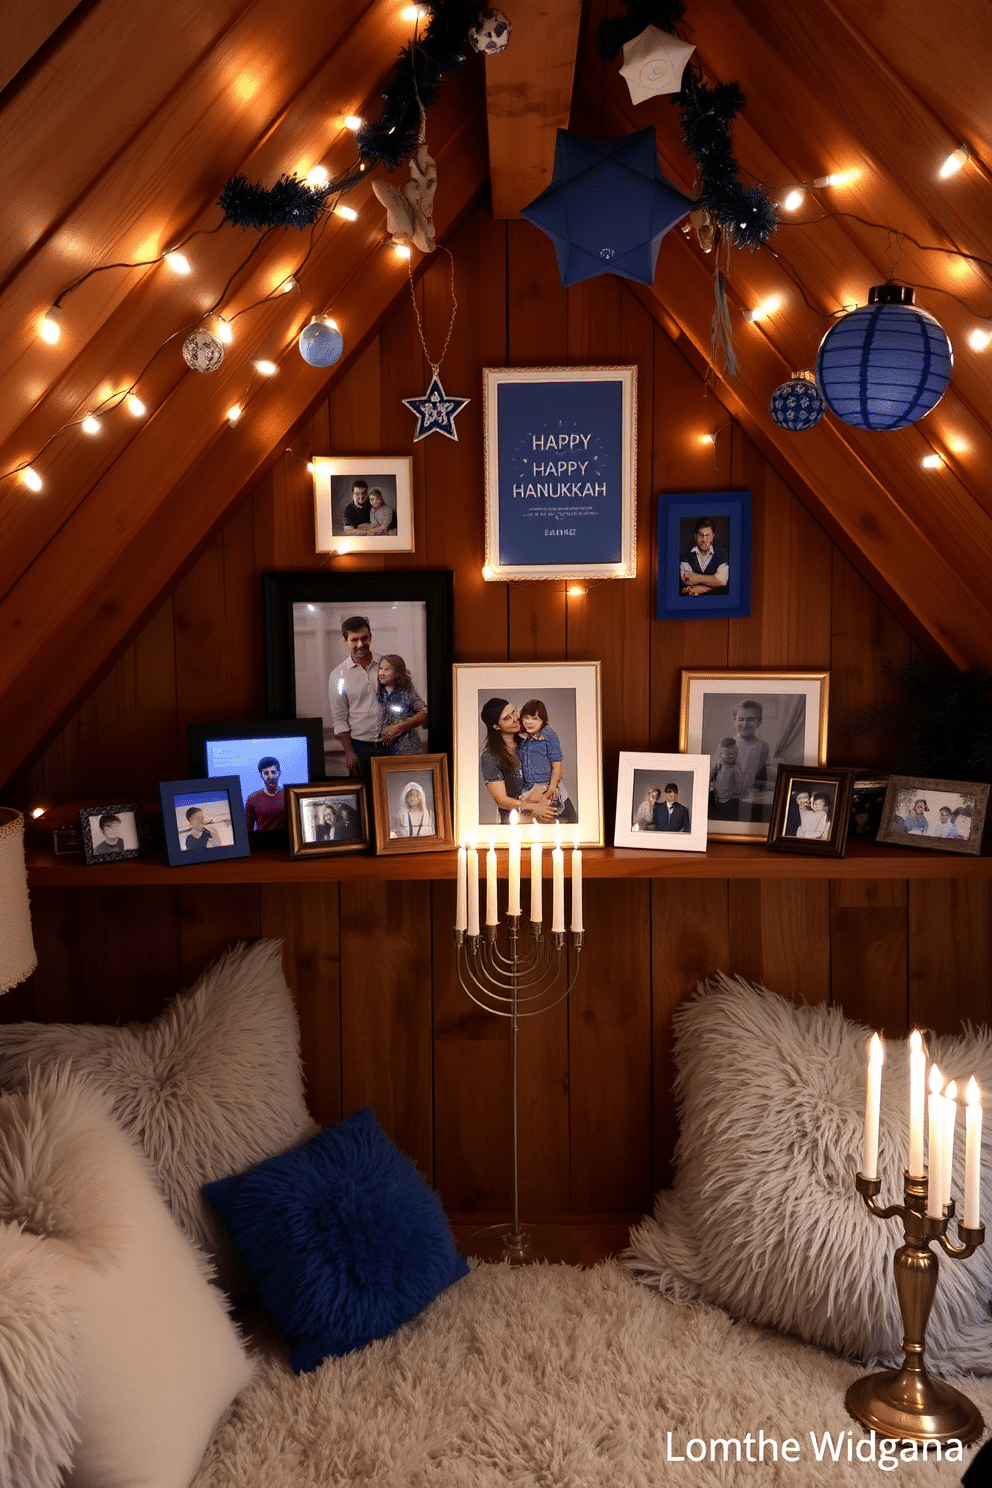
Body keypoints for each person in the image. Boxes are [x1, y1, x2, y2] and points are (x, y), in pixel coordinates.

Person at [479, 697, 557, 825]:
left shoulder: (531, 740)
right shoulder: (490, 756)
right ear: (496, 726)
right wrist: (534, 807)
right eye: (507, 718)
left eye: (514, 711)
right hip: (516, 824)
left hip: (546, 815)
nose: (515, 718)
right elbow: (502, 800)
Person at [328, 615, 384, 780]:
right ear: (346, 642)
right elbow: (339, 718)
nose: (360, 644)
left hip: (390, 744)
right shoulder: (338, 675)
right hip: (360, 747)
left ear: (370, 637)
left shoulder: (386, 664)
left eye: (364, 638)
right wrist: (349, 752)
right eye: (354, 640)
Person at [517, 698, 577, 823]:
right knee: (534, 820)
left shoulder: (549, 736)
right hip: (529, 788)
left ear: (543, 721)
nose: (529, 722)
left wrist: (551, 789)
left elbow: (557, 765)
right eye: (526, 718)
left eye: (535, 719)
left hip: (547, 785)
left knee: (564, 817)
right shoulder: (523, 736)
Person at [376, 654, 427, 754]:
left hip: (407, 749)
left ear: (397, 673)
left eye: (387, 669)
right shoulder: (376, 692)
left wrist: (400, 727)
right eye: (380, 668)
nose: (382, 673)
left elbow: (424, 713)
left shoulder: (407, 692)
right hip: (381, 748)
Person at [729, 699, 769, 821]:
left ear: (759, 722)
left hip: (749, 797)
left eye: (750, 719)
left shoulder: (762, 746)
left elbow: (753, 771)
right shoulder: (727, 744)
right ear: (735, 720)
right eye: (741, 719)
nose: (745, 724)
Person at [679, 517, 729, 597]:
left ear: (712, 536)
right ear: (696, 536)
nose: (704, 539)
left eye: (707, 535)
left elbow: (722, 581)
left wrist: (702, 587)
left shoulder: (721, 554)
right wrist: (713, 582)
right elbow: (687, 580)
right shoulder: (685, 554)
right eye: (701, 535)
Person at [245, 756, 285, 832]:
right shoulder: (252, 799)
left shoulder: (287, 795)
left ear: (279, 773)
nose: (270, 776)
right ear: (261, 775)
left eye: (273, 772)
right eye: (266, 773)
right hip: (261, 842)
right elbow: (247, 830)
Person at [709, 738, 744, 820]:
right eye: (726, 754)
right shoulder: (719, 765)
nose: (730, 756)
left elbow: (740, 781)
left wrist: (738, 793)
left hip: (730, 797)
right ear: (721, 754)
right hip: (717, 796)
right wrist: (717, 765)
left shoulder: (735, 768)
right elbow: (711, 776)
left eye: (733, 754)